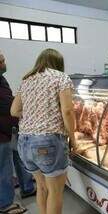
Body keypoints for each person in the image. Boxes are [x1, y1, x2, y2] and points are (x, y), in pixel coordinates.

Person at [11, 48, 76, 214]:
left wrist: (35, 115)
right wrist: (72, 138)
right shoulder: (61, 77)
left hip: (24, 142)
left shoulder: (26, 80)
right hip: (47, 142)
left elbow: (14, 111)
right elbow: (68, 111)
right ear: (58, 64)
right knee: (55, 192)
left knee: (41, 187)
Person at [0, 51, 29, 214]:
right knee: (3, 168)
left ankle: (28, 187)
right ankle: (5, 204)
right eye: (2, 61)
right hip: (1, 134)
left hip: (10, 129)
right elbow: (7, 105)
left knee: (19, 157)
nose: (5, 63)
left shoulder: (1, 79)